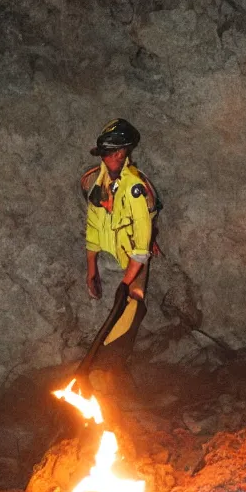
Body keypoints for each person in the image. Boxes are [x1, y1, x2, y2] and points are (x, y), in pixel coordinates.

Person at [79, 118, 159, 349]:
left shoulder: (134, 187)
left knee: (131, 303)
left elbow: (142, 245)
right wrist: (91, 267)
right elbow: (94, 225)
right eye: (109, 153)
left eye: (118, 152)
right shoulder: (96, 182)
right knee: (105, 304)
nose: (113, 157)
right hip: (108, 249)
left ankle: (114, 357)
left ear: (125, 153)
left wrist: (127, 283)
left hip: (131, 252)